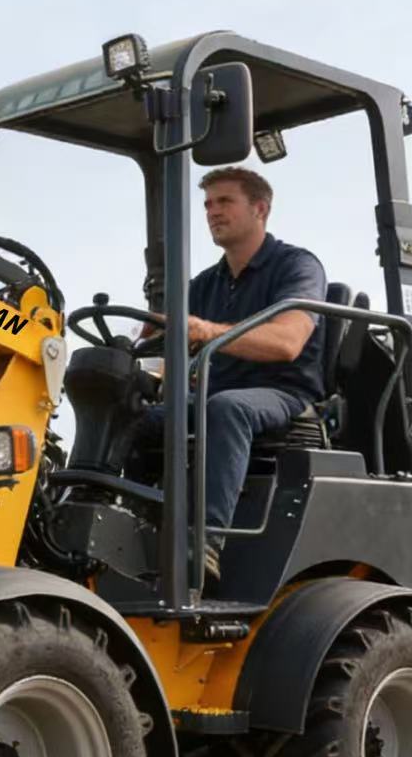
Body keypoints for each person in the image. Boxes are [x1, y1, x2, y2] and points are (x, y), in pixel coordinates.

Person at [139, 166, 327, 580]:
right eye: (208, 203)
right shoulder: (206, 284)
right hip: (212, 393)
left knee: (226, 408)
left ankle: (205, 542)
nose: (212, 211)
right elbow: (162, 345)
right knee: (134, 419)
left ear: (260, 209)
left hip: (281, 394)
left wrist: (206, 332)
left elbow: (287, 342)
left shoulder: (297, 267)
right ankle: (116, 524)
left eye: (225, 201)